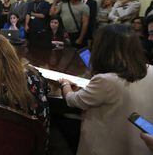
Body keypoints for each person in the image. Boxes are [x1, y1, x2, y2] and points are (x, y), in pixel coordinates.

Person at [59, 24, 153, 155]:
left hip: (107, 144)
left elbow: (73, 100)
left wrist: (65, 84)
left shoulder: (106, 80)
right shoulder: (150, 69)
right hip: (142, 141)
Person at [0, 33, 50, 135]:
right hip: (36, 141)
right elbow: (46, 90)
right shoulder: (34, 75)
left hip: (1, 143)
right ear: (10, 50)